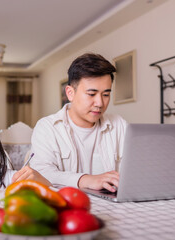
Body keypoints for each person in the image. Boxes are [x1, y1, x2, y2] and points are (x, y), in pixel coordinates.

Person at [30, 53, 127, 192]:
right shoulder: (47, 128)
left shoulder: (119, 125)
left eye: (106, 94)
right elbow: (40, 173)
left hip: (112, 204)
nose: (100, 103)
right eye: (91, 94)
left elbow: (135, 169)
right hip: (66, 204)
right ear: (70, 93)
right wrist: (85, 179)